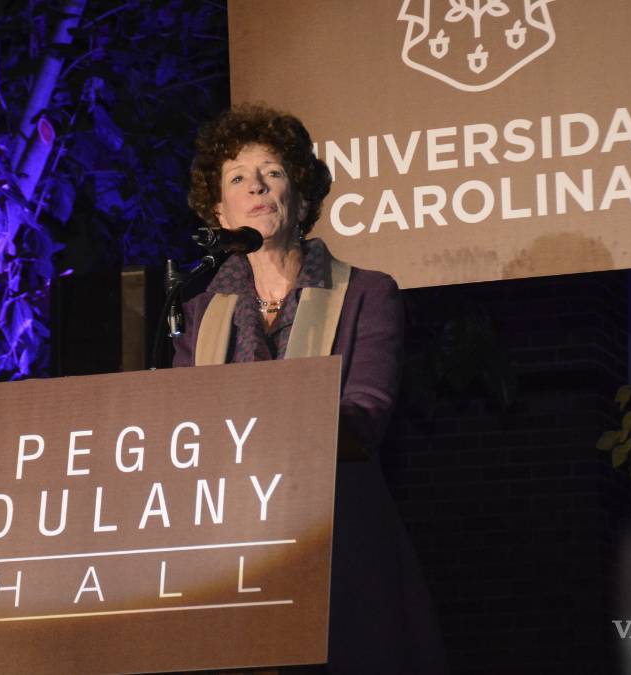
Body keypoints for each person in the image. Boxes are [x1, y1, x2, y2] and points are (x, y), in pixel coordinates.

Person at [173, 104, 448, 674]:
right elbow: (184, 433)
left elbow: (366, 413)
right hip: (230, 552)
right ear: (219, 210)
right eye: (237, 178)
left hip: (338, 541)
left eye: (272, 172)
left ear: (299, 197)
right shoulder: (197, 311)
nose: (256, 186)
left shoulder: (367, 292)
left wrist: (269, 431)